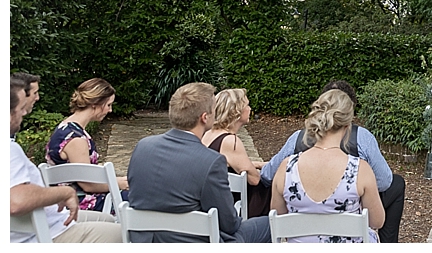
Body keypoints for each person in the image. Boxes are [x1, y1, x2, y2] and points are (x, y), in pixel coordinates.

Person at [260, 79, 406, 242]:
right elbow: (377, 221)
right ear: (347, 124)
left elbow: (278, 216)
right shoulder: (360, 170)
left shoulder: (286, 167)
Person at [126, 82, 271, 243]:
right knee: (269, 224)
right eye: (214, 109)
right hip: (193, 242)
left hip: (144, 240)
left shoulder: (143, 147)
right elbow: (229, 224)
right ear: (205, 117)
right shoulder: (211, 161)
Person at [10, 79, 121, 243]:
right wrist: (64, 193)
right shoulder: (10, 149)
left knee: (108, 220)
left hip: (49, 218)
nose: (24, 113)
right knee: (126, 229)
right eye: (20, 109)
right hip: (48, 230)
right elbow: (16, 200)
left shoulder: (64, 129)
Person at [45, 78, 129, 212]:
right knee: (139, 199)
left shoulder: (65, 128)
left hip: (70, 198)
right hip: (78, 202)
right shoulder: (76, 139)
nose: (110, 110)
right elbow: (88, 184)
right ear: (96, 104)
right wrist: (118, 183)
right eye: (108, 105)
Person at [201, 88, 269, 218]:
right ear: (236, 111)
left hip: (213, 198)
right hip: (231, 203)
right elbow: (254, 179)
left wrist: (258, 164)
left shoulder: (208, 133)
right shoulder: (230, 141)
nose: (250, 109)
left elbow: (227, 163)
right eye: (247, 105)